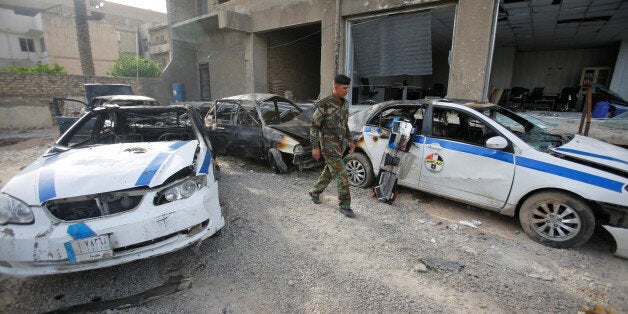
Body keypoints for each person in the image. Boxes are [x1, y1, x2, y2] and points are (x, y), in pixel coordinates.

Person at [308, 74, 356, 218]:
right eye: (344, 88)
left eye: (348, 88)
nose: (347, 90)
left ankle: (315, 192)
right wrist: (315, 146)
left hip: (340, 145)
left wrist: (350, 140)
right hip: (328, 146)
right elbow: (314, 125)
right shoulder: (325, 103)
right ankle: (345, 205)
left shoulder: (345, 104)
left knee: (330, 171)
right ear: (335, 87)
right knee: (342, 174)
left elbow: (344, 124)